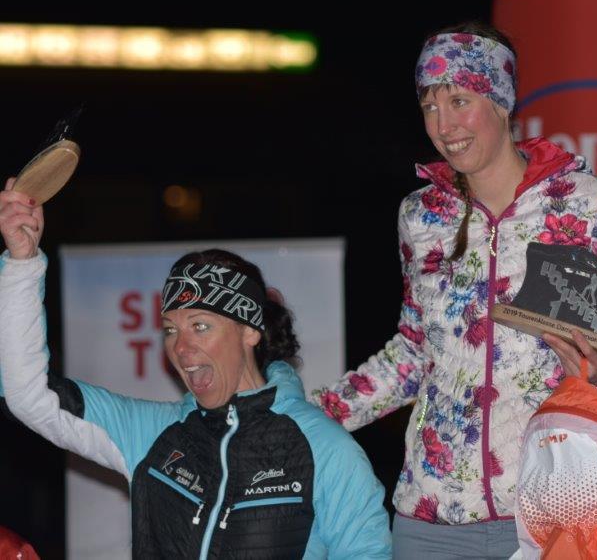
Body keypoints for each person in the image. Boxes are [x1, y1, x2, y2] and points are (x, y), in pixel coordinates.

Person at [313, 22, 597, 558]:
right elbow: (414, 352)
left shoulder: (586, 204)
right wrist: (315, 413)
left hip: (548, 509)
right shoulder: (421, 215)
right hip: (432, 519)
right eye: (430, 106)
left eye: (459, 101)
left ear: (502, 102)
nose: (444, 125)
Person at [0, 178, 391, 558]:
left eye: (200, 326)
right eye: (171, 329)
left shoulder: (325, 449)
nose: (180, 347)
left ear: (250, 331)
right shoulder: (154, 434)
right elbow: (28, 395)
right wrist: (22, 262)